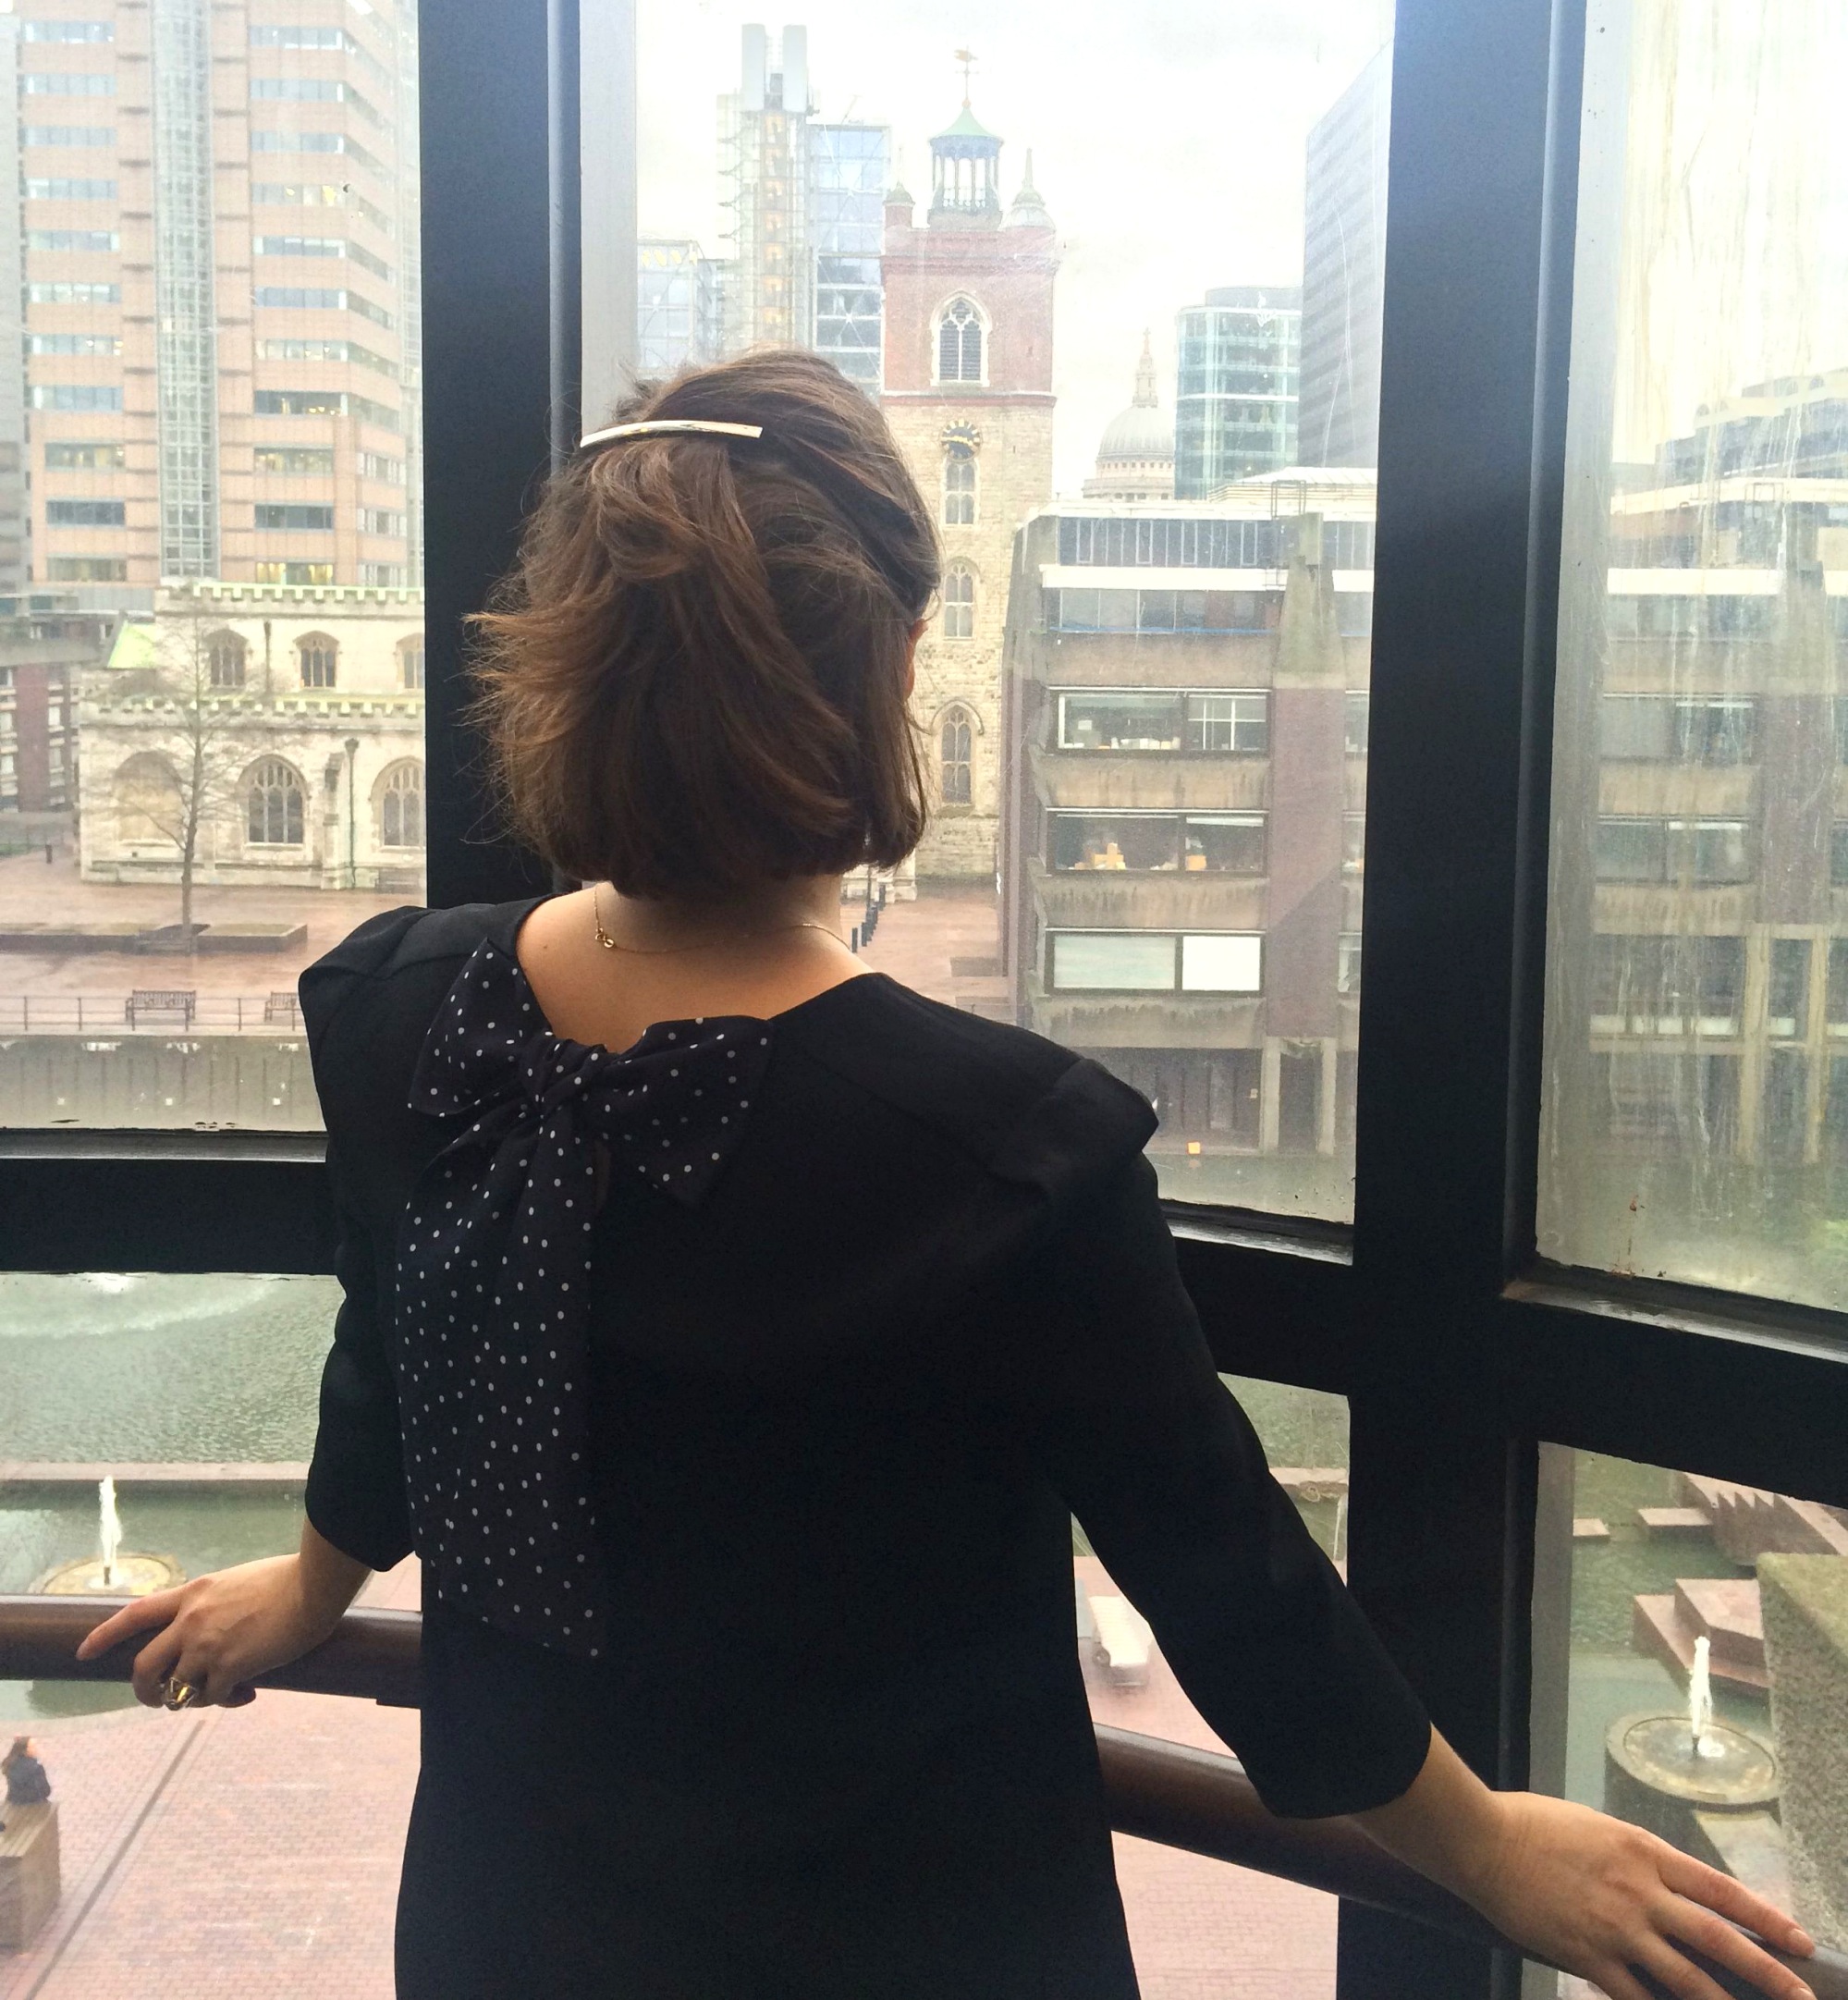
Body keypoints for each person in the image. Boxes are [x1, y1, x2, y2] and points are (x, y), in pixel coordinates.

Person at [77, 352, 1815, 2000]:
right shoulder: (997, 1150)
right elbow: (1226, 1578)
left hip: (514, 1911)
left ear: (554, 675)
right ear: (897, 669)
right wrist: (1484, 1845)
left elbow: (392, 1340)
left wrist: (314, 1582)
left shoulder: (398, 1006)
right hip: (904, 1927)